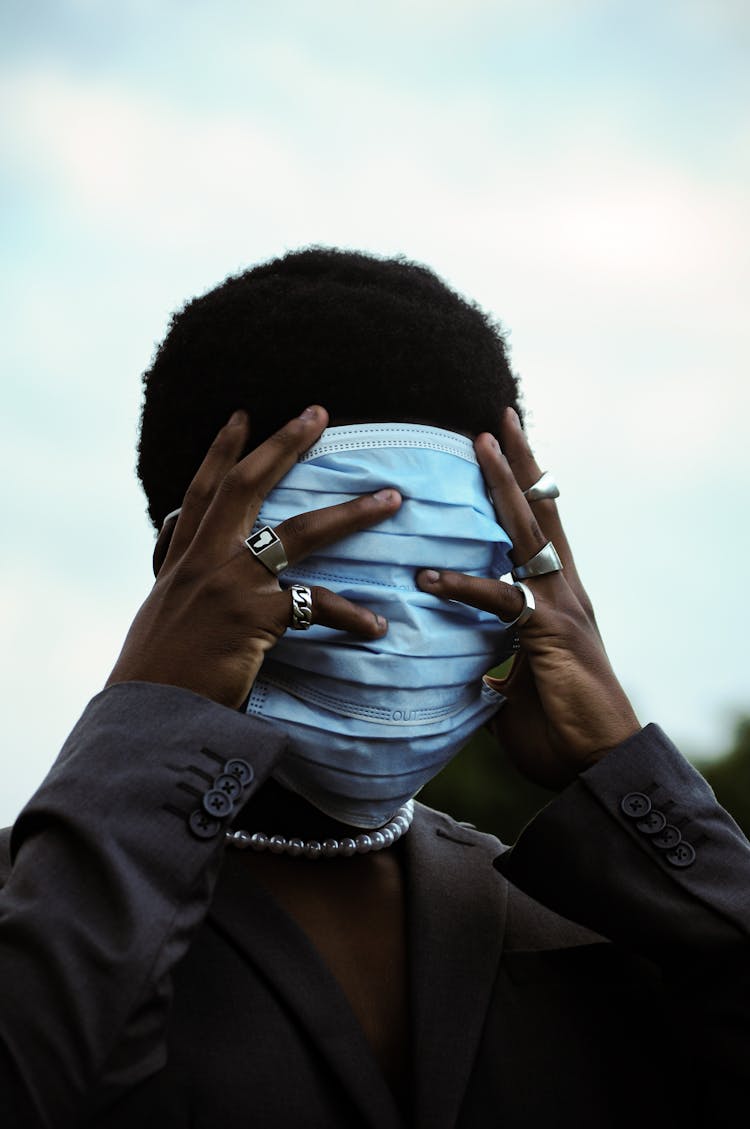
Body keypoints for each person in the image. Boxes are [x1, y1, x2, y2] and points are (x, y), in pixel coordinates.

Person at [1, 248, 748, 1129]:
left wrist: (631, 770)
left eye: (453, 564)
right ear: (181, 566)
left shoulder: (600, 933)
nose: (398, 617)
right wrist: (153, 709)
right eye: (353, 552)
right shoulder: (44, 907)